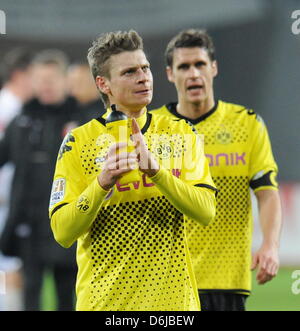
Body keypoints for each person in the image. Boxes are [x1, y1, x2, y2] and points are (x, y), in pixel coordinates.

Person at [49, 30, 217, 311]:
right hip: (105, 306)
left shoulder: (181, 133)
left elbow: (206, 211)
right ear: (103, 84)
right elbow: (63, 232)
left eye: (145, 68)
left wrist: (156, 172)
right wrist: (101, 184)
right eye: (129, 72)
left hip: (173, 307)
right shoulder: (78, 142)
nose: (143, 77)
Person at [152, 29, 282, 311]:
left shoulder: (247, 124)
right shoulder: (153, 129)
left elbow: (267, 192)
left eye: (199, 64)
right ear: (170, 75)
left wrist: (270, 245)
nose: (193, 73)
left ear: (213, 68)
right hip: (167, 281)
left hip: (226, 281)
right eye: (183, 67)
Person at [0, 49, 79, 311]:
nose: (45, 85)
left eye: (51, 79)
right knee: (30, 294)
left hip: (66, 224)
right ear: (32, 81)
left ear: (64, 81)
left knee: (67, 296)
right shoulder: (21, 121)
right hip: (29, 226)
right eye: (40, 79)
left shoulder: (80, 121)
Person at [0, 48, 34, 311]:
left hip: (12, 203)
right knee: (9, 268)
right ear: (19, 75)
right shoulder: (6, 107)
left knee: (11, 267)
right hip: (3, 203)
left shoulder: (21, 109)